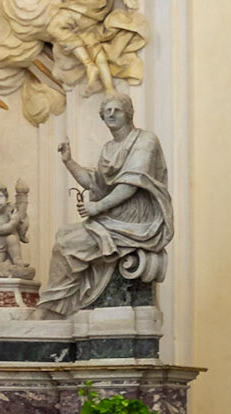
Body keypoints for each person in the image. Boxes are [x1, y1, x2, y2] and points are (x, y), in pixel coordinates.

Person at [36, 93, 173, 315]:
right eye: (107, 111)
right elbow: (93, 182)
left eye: (116, 109)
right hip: (114, 217)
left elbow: (131, 184)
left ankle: (55, 307)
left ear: (128, 113)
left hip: (137, 221)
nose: (111, 114)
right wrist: (69, 161)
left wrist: (97, 208)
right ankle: (61, 305)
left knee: (67, 243)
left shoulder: (145, 140)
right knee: (64, 236)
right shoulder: (109, 148)